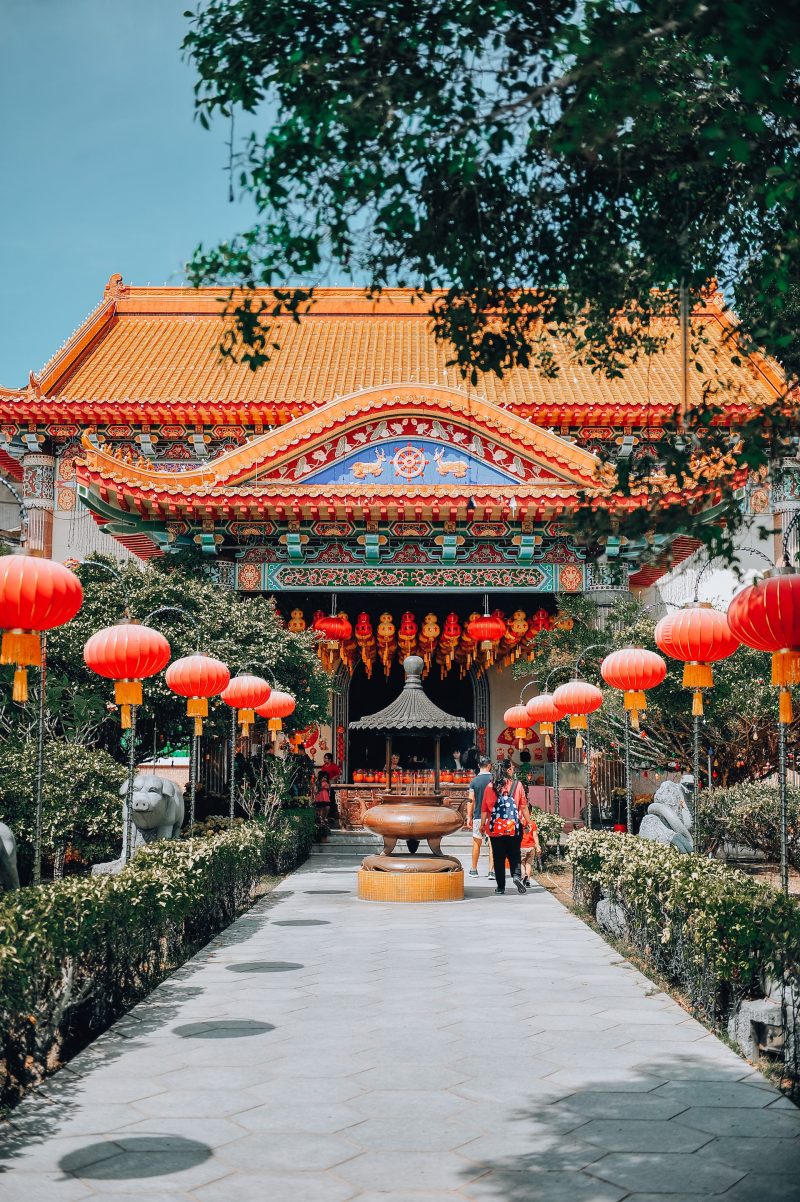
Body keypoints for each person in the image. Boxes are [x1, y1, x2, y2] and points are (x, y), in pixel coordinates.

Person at [480, 760, 530, 895]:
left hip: (495, 828)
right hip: (514, 827)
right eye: (512, 767)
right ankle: (516, 876)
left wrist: (482, 825)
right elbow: (523, 806)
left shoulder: (490, 787)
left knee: (498, 857)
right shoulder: (517, 785)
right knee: (514, 854)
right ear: (508, 770)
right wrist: (529, 822)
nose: (513, 769)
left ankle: (501, 887)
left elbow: (484, 809)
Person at [466, 756, 494, 878]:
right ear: (489, 765)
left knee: (476, 842)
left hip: (478, 816)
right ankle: (491, 871)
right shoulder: (494, 779)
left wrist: (468, 816)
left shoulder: (474, 781)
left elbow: (470, 800)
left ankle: (473, 869)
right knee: (492, 844)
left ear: (478, 766)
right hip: (492, 816)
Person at [520, 811, 541, 886]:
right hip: (531, 847)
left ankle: (523, 875)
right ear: (531, 813)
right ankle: (528, 880)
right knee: (528, 864)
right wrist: (537, 846)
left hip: (521, 847)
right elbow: (535, 836)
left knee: (522, 863)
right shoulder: (532, 823)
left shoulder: (519, 823)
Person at [313, 771, 331, 840]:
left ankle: (324, 818)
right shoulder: (317, 783)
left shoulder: (326, 783)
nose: (325, 779)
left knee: (327, 807)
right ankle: (320, 819)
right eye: (324, 777)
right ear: (320, 777)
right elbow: (315, 789)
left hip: (325, 797)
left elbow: (327, 787)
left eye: (326, 778)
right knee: (319, 808)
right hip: (319, 797)